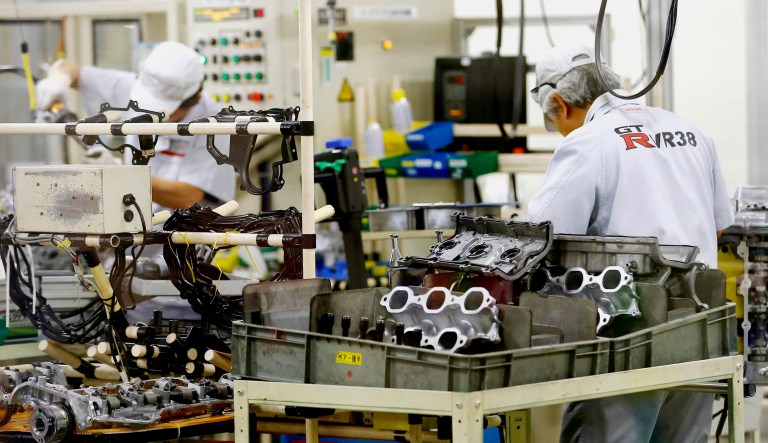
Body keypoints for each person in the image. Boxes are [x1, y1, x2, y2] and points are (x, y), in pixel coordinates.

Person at [527, 44, 734, 442]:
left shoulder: (587, 142)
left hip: (627, 335)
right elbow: (718, 227)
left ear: (559, 104)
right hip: (700, 330)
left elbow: (540, 238)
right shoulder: (692, 132)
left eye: (554, 122)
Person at [35, 41, 234, 211]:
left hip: (189, 234)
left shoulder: (215, 124)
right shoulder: (134, 88)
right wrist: (57, 81)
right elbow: (69, 69)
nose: (154, 115)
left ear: (195, 99)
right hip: (135, 222)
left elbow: (188, 197)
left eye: (165, 110)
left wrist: (120, 172)